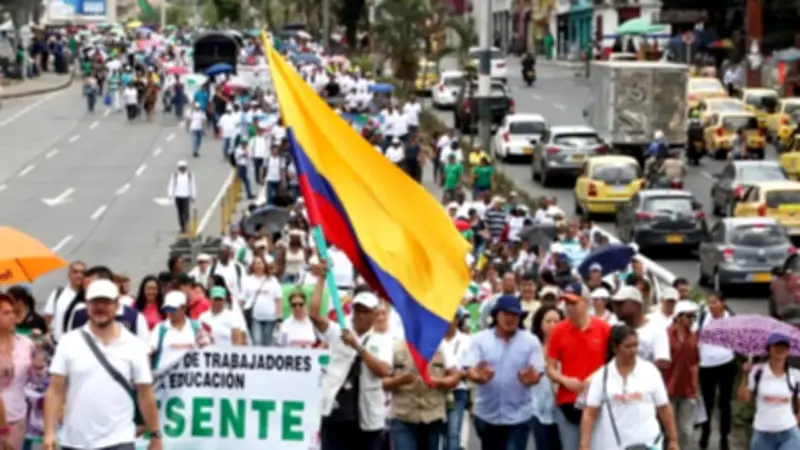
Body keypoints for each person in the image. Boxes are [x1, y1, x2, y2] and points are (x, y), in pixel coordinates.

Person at [44, 279, 162, 450]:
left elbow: (145, 394)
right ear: (86, 305)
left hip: (119, 439)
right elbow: (55, 389)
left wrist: (155, 435)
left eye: (106, 302)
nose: (100, 307)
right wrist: (49, 432)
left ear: (116, 305)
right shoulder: (69, 342)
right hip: (75, 441)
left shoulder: (134, 345)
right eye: (95, 302)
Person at [308, 262, 392, 450]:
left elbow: (384, 370)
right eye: (358, 310)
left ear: (374, 314)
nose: (361, 316)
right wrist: (321, 279)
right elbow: (314, 314)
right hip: (337, 412)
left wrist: (358, 347)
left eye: (366, 311)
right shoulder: (340, 330)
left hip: (367, 417)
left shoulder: (383, 339)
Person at [462, 295, 545, 450]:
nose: (510, 319)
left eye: (515, 315)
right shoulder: (480, 339)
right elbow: (468, 367)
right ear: (496, 315)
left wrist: (531, 379)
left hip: (519, 415)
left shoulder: (530, 341)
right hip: (487, 414)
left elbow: (538, 371)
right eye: (505, 314)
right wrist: (477, 376)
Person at [579, 325, 679, 450]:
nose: (633, 350)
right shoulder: (601, 377)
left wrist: (673, 439)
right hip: (614, 445)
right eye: (627, 346)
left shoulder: (650, 371)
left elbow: (664, 407)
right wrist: (584, 444)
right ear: (615, 348)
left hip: (649, 443)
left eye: (635, 345)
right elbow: (590, 413)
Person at [546, 290, 611, 450]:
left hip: (597, 400)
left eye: (574, 303)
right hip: (568, 401)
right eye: (567, 304)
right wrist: (565, 380)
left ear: (586, 303)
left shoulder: (603, 329)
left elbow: (613, 363)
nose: (569, 307)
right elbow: (550, 368)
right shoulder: (559, 331)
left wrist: (595, 377)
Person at [384, 326, 460, 450]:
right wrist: (400, 381)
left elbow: (454, 378)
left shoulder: (441, 346)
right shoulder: (395, 347)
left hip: (432, 416)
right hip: (403, 416)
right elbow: (383, 382)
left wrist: (438, 382)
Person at [738, 332, 800, 450]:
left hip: (789, 434)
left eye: (784, 346)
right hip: (762, 433)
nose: (780, 349)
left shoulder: (795, 375)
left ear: (788, 351)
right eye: (776, 346)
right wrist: (745, 375)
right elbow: (744, 398)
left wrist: (795, 422)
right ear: (769, 349)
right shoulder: (757, 372)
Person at [697, 291, 736, 450]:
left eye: (715, 303)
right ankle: (705, 433)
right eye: (709, 303)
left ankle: (724, 436)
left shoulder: (731, 320)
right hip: (706, 365)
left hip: (726, 362)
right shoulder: (702, 318)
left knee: (725, 402)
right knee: (707, 401)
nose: (711, 306)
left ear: (723, 303)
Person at [666, 300, 700, 450]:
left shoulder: (693, 337)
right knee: (670, 430)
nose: (691, 320)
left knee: (686, 431)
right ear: (679, 317)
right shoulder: (666, 335)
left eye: (694, 317)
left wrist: (695, 387)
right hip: (669, 388)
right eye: (689, 316)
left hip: (687, 389)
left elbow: (695, 363)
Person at [530, 305, 564, 450]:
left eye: (557, 321)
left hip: (562, 408)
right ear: (540, 323)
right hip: (537, 407)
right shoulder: (532, 346)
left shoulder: (566, 347)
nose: (552, 325)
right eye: (548, 321)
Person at [440, 310, 471, 450]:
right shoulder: (434, 339)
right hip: (437, 389)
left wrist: (459, 373)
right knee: (438, 432)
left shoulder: (467, 340)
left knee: (453, 432)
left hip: (458, 390)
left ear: (457, 320)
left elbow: (472, 365)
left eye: (451, 317)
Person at [166, 160, 196, 235]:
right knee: (180, 213)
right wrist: (170, 194)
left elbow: (192, 185)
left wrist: (193, 195)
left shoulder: (190, 175)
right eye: (181, 168)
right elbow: (171, 185)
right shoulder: (175, 175)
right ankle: (182, 227)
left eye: (183, 167)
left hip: (186, 196)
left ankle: (187, 226)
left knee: (186, 212)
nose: (182, 169)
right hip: (178, 196)